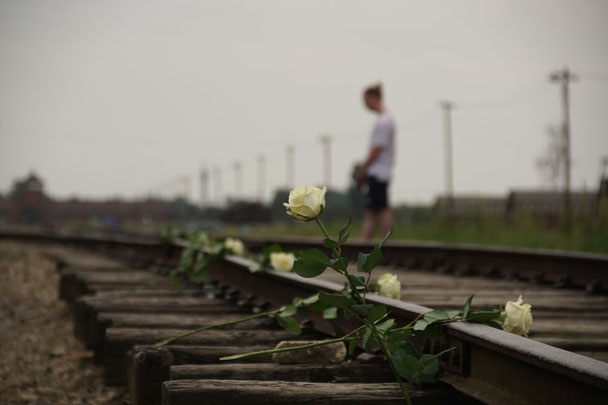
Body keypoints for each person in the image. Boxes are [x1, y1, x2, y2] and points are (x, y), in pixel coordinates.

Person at [357, 83, 395, 240]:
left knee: (374, 212)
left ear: (373, 98)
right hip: (383, 171)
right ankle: (380, 242)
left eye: (365, 100)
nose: (364, 104)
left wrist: (364, 170)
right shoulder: (387, 119)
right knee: (379, 208)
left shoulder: (383, 122)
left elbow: (376, 149)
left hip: (378, 171)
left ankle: (367, 244)